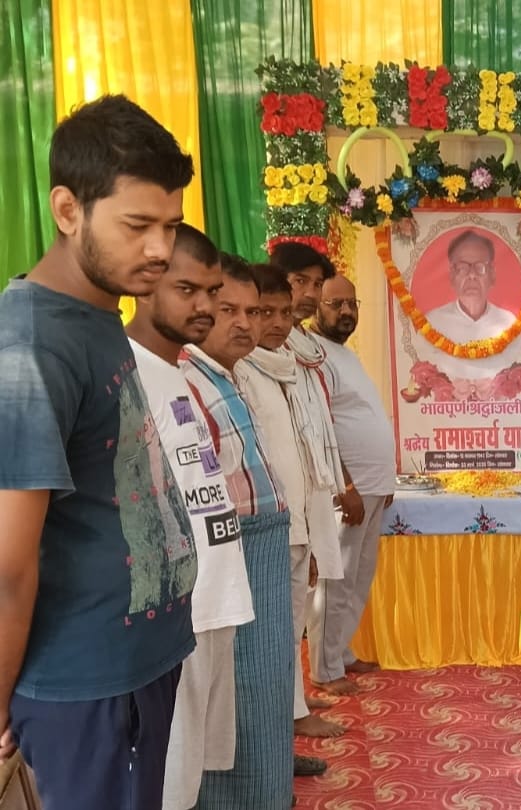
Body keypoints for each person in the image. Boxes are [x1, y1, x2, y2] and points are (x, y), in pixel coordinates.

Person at [0, 95, 197, 810]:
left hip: (135, 660)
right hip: (83, 681)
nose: (160, 249)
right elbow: (8, 565)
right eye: (138, 226)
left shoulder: (95, 311)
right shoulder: (31, 345)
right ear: (67, 210)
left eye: (170, 225)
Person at [126, 225, 255, 810]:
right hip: (170, 620)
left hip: (212, 605)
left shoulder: (177, 371)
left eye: (211, 291)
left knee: (188, 779)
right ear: (144, 285)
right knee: (165, 784)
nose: (204, 306)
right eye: (187, 289)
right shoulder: (124, 374)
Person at [183, 257, 294, 809]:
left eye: (253, 311)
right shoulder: (185, 380)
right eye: (229, 309)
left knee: (265, 694)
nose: (245, 324)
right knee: (237, 702)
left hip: (261, 561)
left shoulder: (228, 376)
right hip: (229, 568)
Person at [237, 263, 345, 759]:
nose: (278, 323)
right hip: (263, 527)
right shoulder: (241, 371)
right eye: (265, 312)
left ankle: (291, 713)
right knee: (271, 635)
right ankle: (280, 728)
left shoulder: (288, 366)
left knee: (290, 627)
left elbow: (302, 452)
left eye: (284, 313)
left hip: (297, 520)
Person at [307, 274, 398, 691]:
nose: (346, 311)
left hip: (371, 486)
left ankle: (340, 652)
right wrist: (345, 486)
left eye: (351, 303)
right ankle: (325, 670)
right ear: (316, 305)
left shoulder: (344, 353)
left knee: (358, 578)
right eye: (336, 304)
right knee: (336, 579)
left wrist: (384, 478)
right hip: (348, 492)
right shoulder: (314, 356)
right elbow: (320, 426)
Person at [268, 244, 351, 697]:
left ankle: (294, 706)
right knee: (279, 619)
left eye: (316, 284)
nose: (310, 293)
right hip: (276, 506)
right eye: (300, 281)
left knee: (295, 612)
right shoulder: (258, 353)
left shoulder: (303, 349)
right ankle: (287, 712)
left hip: (307, 498)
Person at [422, 229, 521, 380]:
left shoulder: (509, 324)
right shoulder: (432, 322)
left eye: (479, 267)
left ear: (492, 274)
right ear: (451, 275)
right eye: (463, 268)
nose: (472, 275)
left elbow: (518, 377)